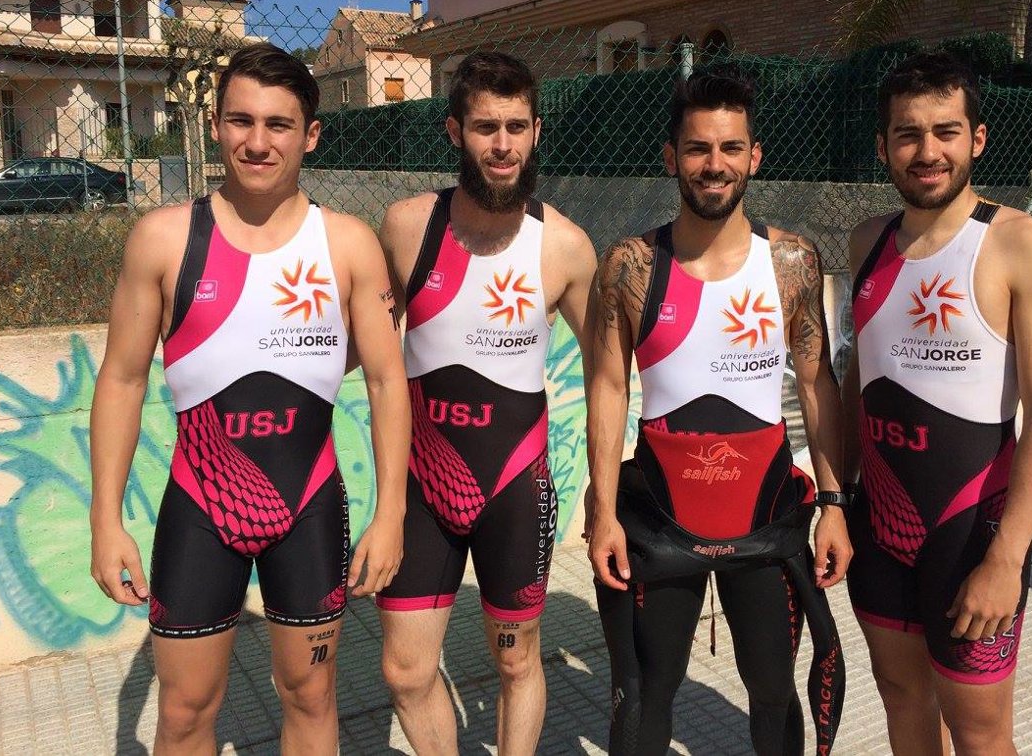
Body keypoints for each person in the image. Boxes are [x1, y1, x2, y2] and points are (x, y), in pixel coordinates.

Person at [89, 42, 411, 754]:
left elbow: (389, 382)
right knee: (183, 713)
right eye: (241, 121)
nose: (258, 142)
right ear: (215, 125)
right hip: (199, 507)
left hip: (310, 506)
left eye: (278, 124)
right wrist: (104, 520)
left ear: (311, 135)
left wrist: (391, 513)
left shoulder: (348, 244)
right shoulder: (163, 239)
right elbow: (121, 380)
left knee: (311, 697)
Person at [586, 64, 852, 756]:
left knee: (772, 688)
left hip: (763, 518)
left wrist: (833, 505)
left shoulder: (791, 262)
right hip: (661, 519)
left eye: (731, 147)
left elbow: (817, 384)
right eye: (698, 148)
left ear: (754, 156)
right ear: (671, 157)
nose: (715, 164)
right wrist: (604, 512)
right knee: (646, 691)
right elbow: (608, 390)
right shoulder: (630, 265)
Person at [843, 52, 1032, 754]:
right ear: (883, 145)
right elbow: (860, 375)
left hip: (972, 533)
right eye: (908, 134)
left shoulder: (1025, 246)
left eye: (946, 131)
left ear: (977, 138)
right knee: (902, 697)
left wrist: (1006, 557)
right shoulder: (867, 242)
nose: (928, 152)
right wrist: (835, 500)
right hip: (878, 524)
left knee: (979, 731)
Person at [376, 51, 596, 755]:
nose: (502, 145)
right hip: (423, 485)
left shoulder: (565, 247)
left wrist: (612, 486)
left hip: (514, 487)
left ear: (536, 132)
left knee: (516, 662)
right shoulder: (407, 227)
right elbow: (368, 348)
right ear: (454, 132)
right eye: (484, 127)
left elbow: (610, 373)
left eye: (516, 127)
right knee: (406, 671)